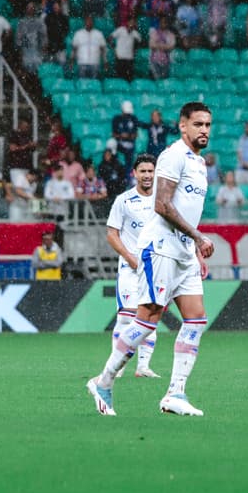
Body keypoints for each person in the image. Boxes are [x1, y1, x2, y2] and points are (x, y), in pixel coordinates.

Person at [87, 101, 215, 417]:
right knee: (147, 321)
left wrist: (193, 246)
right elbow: (162, 205)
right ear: (182, 126)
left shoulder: (200, 163)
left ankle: (175, 393)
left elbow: (186, 210)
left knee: (196, 320)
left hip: (183, 251)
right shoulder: (173, 156)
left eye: (208, 125)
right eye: (198, 124)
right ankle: (103, 382)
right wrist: (198, 237)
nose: (204, 130)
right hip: (160, 248)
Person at [105, 153, 161, 378]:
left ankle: (143, 367)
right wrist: (129, 257)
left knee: (151, 316)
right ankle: (117, 366)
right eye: (143, 171)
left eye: (150, 171)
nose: (147, 175)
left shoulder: (163, 200)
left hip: (156, 267)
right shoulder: (124, 200)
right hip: (130, 267)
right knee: (126, 317)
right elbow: (112, 234)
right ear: (134, 174)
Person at [15, 2, 47, 74]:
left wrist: (43, 48)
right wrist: (20, 50)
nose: (30, 10)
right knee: (27, 71)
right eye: (29, 8)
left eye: (32, 8)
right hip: (25, 50)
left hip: (37, 51)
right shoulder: (22, 22)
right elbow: (18, 38)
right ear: (26, 9)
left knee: (37, 71)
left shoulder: (39, 22)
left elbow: (44, 37)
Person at [109, 16, 141, 82]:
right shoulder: (120, 30)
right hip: (120, 57)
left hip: (129, 59)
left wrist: (135, 51)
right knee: (119, 78)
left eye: (134, 22)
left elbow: (139, 43)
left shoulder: (135, 33)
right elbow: (110, 38)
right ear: (128, 22)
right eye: (131, 22)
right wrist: (114, 48)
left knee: (129, 78)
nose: (132, 24)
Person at [112, 100, 139, 173]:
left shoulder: (133, 119)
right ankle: (114, 169)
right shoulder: (117, 119)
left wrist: (127, 136)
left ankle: (129, 174)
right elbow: (113, 134)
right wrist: (121, 136)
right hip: (119, 144)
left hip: (130, 144)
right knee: (111, 143)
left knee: (130, 158)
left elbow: (135, 135)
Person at [44, 0, 69, 66]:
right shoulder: (48, 17)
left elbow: (66, 30)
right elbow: (45, 31)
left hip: (61, 45)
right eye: (54, 6)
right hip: (51, 45)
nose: (55, 8)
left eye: (57, 6)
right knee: (50, 64)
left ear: (60, 7)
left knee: (62, 63)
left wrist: (61, 38)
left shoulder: (64, 18)